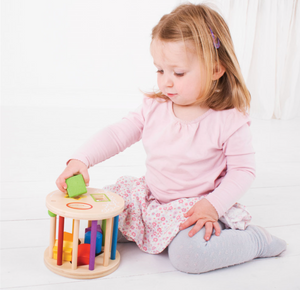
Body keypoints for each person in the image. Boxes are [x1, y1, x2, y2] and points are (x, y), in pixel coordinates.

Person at [56, 3, 286, 273]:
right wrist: (82, 158)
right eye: (160, 70)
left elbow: (243, 171)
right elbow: (117, 133)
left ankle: (255, 241)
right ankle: (134, 229)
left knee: (188, 256)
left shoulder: (228, 120)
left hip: (196, 206)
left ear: (216, 70)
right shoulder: (155, 107)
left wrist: (212, 206)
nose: (166, 82)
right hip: (151, 197)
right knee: (102, 213)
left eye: (178, 73)